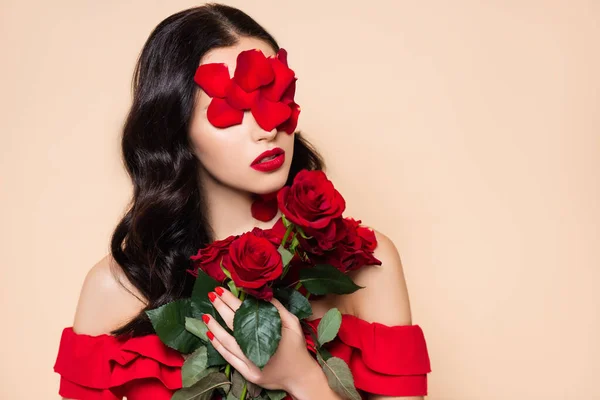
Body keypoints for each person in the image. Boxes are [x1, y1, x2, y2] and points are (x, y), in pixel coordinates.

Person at [53, 3, 431, 399]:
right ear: (176, 130)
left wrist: (302, 379)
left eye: (276, 94)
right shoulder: (114, 289)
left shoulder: (369, 266)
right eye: (233, 110)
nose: (267, 127)